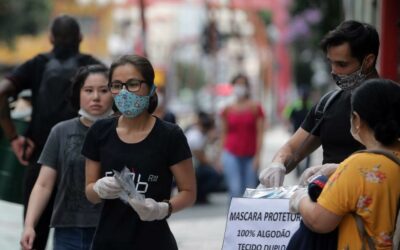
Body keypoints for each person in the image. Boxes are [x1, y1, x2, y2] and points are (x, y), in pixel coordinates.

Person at [0, 14, 102, 250]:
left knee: (33, 236)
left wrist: (14, 137)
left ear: (50, 38)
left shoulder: (37, 64)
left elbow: (2, 92)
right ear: (81, 37)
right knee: (88, 235)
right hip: (86, 162)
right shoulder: (92, 66)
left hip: (41, 158)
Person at [82, 54, 196, 250]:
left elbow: (189, 192)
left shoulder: (170, 135)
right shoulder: (99, 132)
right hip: (107, 242)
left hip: (155, 243)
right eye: (117, 85)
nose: (124, 92)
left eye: (133, 84)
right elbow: (89, 192)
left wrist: (162, 209)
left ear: (151, 88)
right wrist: (99, 188)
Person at [259, 20, 380, 188]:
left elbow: (392, 162)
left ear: (368, 61)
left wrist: (342, 170)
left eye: (342, 64)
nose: (334, 71)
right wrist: (277, 164)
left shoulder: (392, 102)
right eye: (331, 62)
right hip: (324, 209)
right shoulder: (328, 105)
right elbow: (293, 149)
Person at [289, 79, 400, 249]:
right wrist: (339, 169)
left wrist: (300, 198)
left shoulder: (358, 166)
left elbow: (319, 220)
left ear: (357, 119)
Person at [20, 65, 113, 250]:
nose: (96, 97)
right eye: (88, 90)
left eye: (104, 90)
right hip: (68, 232)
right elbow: (43, 184)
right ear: (78, 93)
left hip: (112, 231)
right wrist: (29, 225)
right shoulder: (60, 132)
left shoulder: (122, 132)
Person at [220, 74, 265, 198]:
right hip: (231, 153)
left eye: (242, 84)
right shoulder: (227, 109)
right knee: (234, 189)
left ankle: (246, 216)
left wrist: (257, 156)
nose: (240, 87)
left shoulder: (256, 108)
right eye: (237, 84)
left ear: (247, 87)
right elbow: (223, 133)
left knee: (249, 191)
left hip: (250, 155)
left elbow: (260, 133)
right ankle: (232, 216)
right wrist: (220, 156)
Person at [185, 111, 224, 204]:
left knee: (212, 172)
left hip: (191, 166)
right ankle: (199, 195)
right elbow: (202, 158)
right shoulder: (195, 136)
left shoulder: (197, 134)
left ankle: (199, 195)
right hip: (189, 167)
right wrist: (215, 166)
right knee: (214, 175)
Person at [282, 87, 313, 176]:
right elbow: (287, 116)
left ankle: (303, 170)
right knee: (298, 153)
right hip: (299, 133)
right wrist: (287, 126)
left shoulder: (309, 105)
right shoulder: (296, 105)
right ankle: (299, 171)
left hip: (305, 134)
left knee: (304, 153)